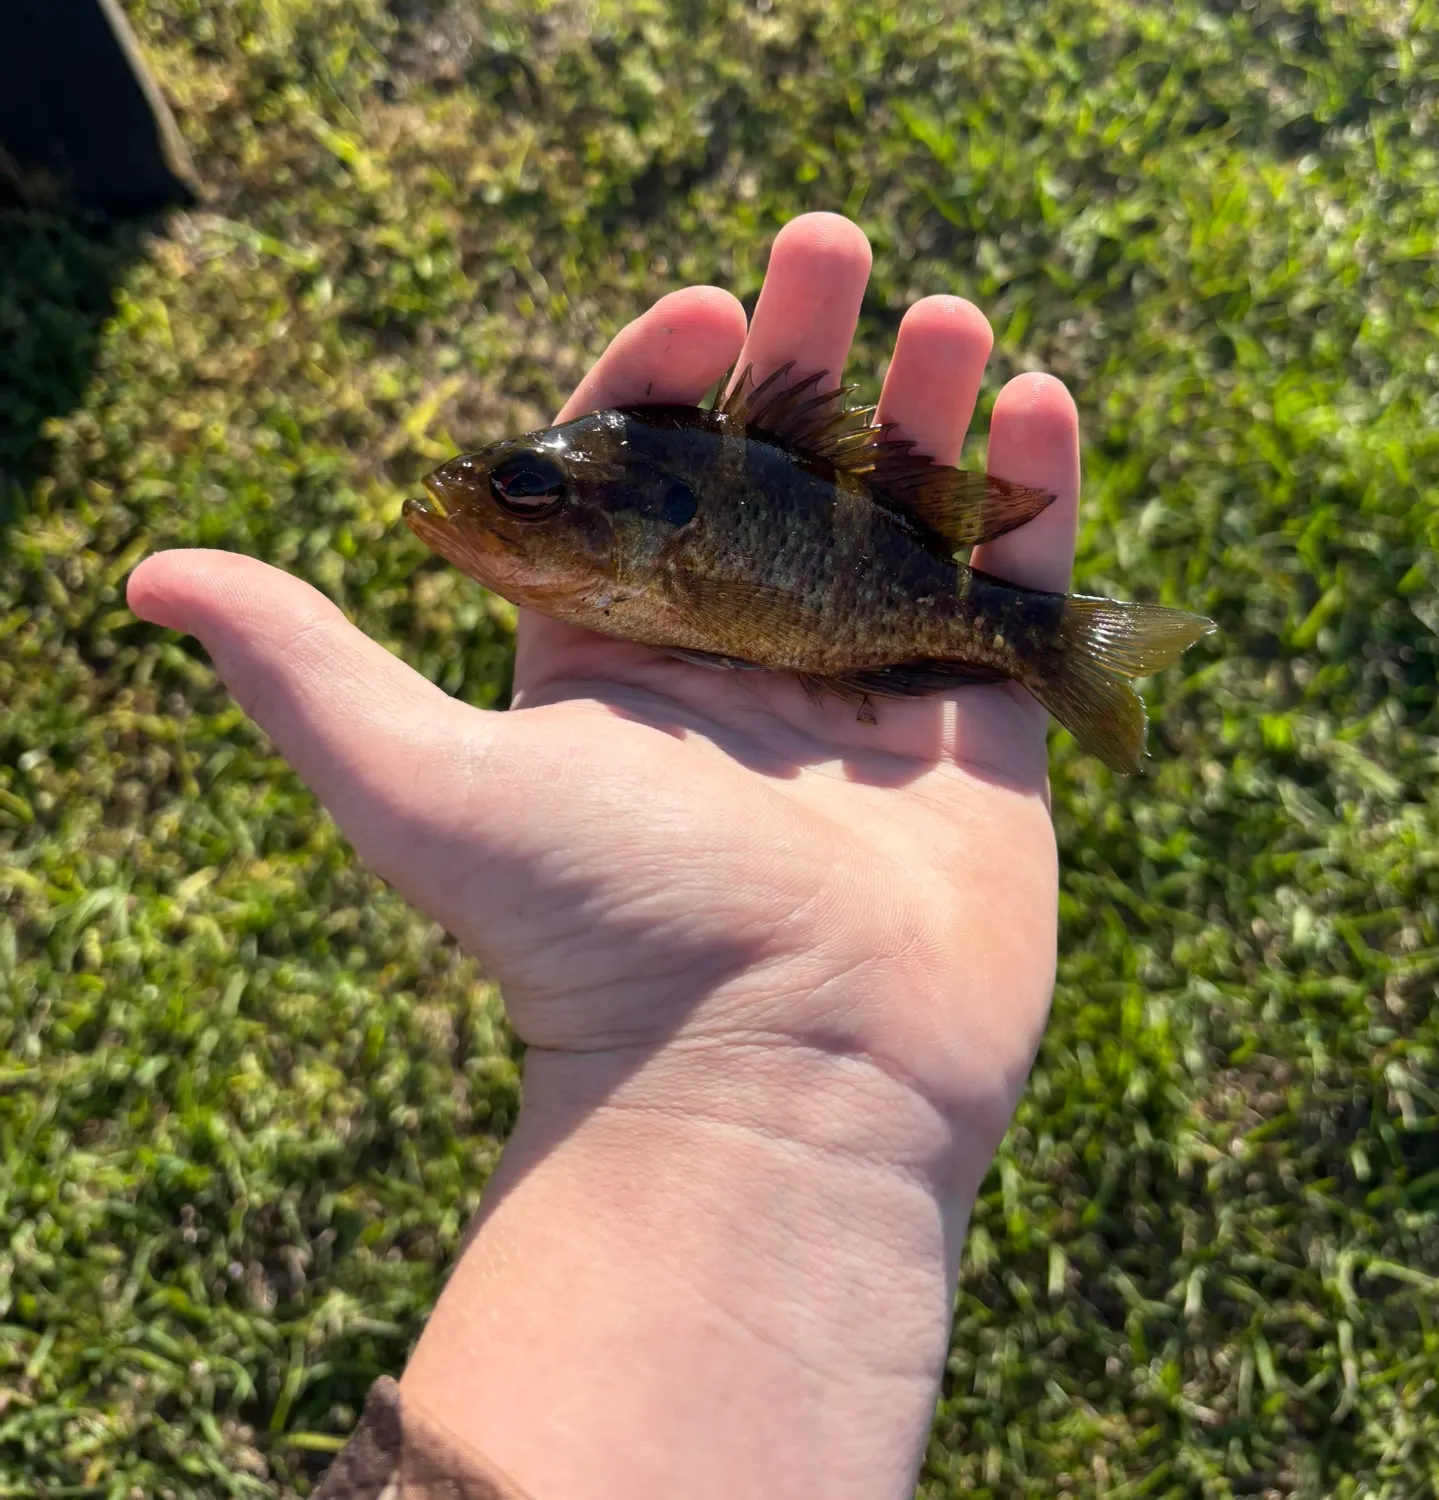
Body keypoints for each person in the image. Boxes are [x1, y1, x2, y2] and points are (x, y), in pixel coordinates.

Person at [127, 212, 1081, 1499]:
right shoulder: (643, 557)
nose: (482, 503)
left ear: (643, 525)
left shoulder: (689, 535)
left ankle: (1067, 652)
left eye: (524, 488)